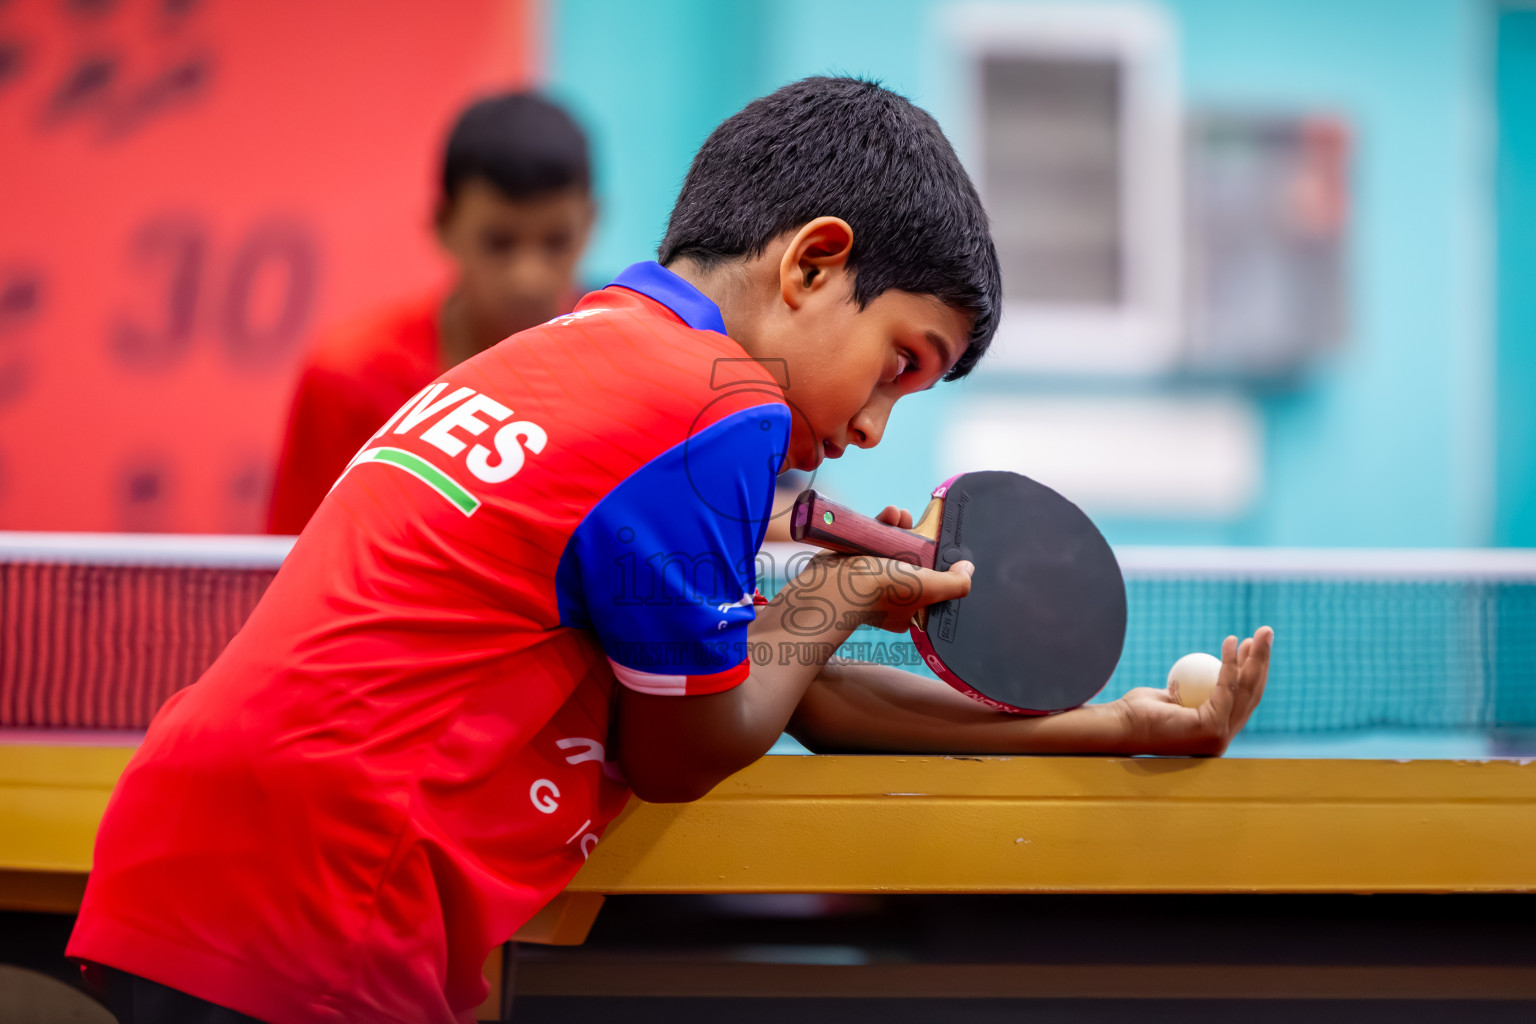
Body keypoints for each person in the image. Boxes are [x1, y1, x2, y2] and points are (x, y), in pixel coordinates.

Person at [69, 77, 1273, 1024]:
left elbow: (792, 693)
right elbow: (688, 741)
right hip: (325, 895)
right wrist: (846, 583)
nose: (870, 426)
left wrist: (1124, 723)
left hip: (188, 857)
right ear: (812, 263)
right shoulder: (718, 409)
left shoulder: (596, 344)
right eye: (900, 363)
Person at [265, 91, 596, 534]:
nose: (528, 277)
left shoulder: (635, 377)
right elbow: (287, 567)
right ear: (444, 225)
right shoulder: (345, 378)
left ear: (590, 224)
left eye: (556, 242)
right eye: (499, 242)